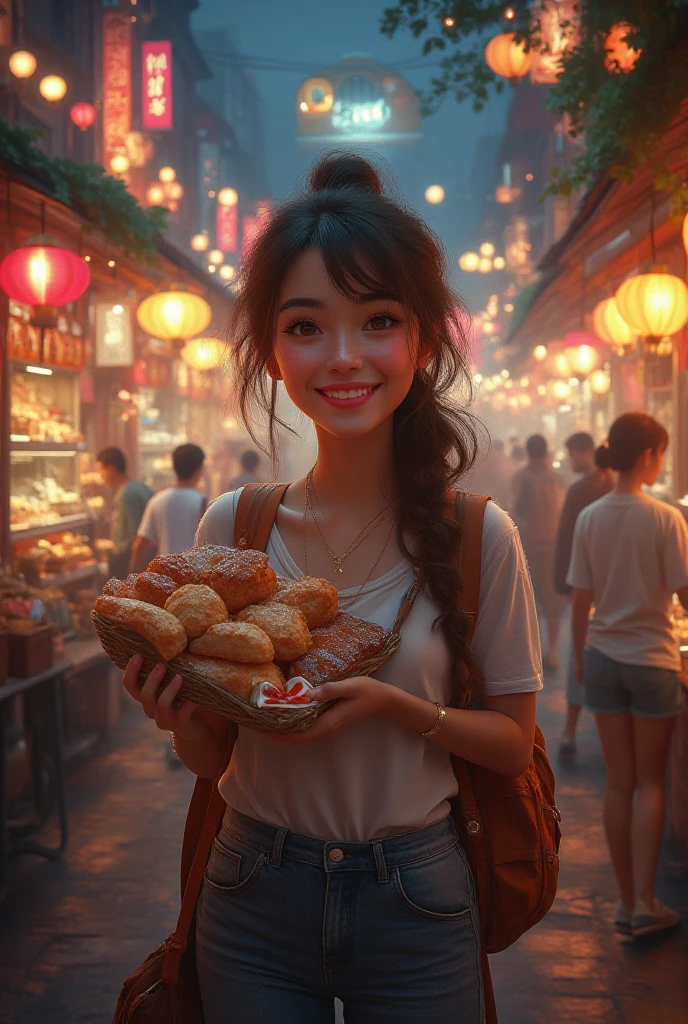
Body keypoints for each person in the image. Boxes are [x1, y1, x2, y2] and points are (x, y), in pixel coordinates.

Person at [119, 153, 543, 1022]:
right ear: (273, 353)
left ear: (422, 341)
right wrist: (178, 715)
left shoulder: (477, 537)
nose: (343, 357)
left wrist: (399, 708)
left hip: (418, 896)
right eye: (306, 326)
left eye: (377, 320)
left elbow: (511, 744)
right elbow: (218, 758)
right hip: (251, 886)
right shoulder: (231, 532)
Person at [568, 413, 688, 939]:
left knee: (617, 784)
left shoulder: (591, 517)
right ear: (648, 456)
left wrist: (579, 656)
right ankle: (645, 902)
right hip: (653, 660)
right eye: (661, 453)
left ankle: (625, 900)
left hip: (603, 658)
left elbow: (580, 600)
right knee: (650, 783)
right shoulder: (665, 518)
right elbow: (684, 596)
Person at [554, 432, 613, 759]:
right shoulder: (613, 487)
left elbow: (566, 539)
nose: (572, 461)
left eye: (574, 454)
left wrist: (562, 581)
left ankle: (569, 731)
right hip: (611, 588)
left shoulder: (581, 491)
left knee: (580, 656)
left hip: (584, 585)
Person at [512, 434, 566, 670]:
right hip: (552, 547)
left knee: (528, 603)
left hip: (529, 547)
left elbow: (515, 510)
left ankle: (531, 654)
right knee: (552, 603)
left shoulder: (521, 477)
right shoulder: (557, 478)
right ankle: (551, 652)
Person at [130, 443, 208, 572]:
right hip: (192, 574)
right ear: (199, 470)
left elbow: (141, 545)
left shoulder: (157, 501)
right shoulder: (203, 503)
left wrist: (131, 578)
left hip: (164, 574)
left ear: (173, 467)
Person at [97, 447, 152, 580]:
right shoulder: (135, 488)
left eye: (101, 469)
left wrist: (114, 549)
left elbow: (136, 536)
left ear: (111, 468)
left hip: (128, 562)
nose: (100, 475)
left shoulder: (128, 495)